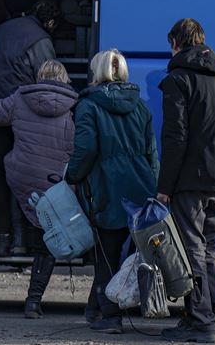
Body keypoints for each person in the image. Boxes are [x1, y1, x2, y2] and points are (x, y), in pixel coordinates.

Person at [156, 18, 215, 343]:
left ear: (177, 43)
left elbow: (175, 137)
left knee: (191, 247)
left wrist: (165, 186)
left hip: (190, 179)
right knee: (209, 247)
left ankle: (200, 320)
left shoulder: (178, 80)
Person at [0, 60, 77, 319]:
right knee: (45, 236)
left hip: (22, 175)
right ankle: (33, 300)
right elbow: (73, 147)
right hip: (53, 181)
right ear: (64, 78)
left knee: (17, 190)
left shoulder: (20, 98)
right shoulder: (71, 107)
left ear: (39, 76)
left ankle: (16, 238)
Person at [66, 49, 159, 334]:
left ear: (97, 72)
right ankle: (101, 308)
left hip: (106, 187)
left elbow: (86, 148)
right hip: (141, 187)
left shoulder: (88, 105)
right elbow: (151, 152)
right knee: (135, 253)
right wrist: (155, 187)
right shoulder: (140, 106)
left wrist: (71, 176)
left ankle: (110, 317)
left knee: (106, 253)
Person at [0, 0, 60, 257]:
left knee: (1, 176)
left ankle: (3, 239)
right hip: (21, 119)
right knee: (24, 179)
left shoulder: (4, 28)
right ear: (51, 22)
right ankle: (23, 239)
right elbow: (48, 80)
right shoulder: (41, 41)